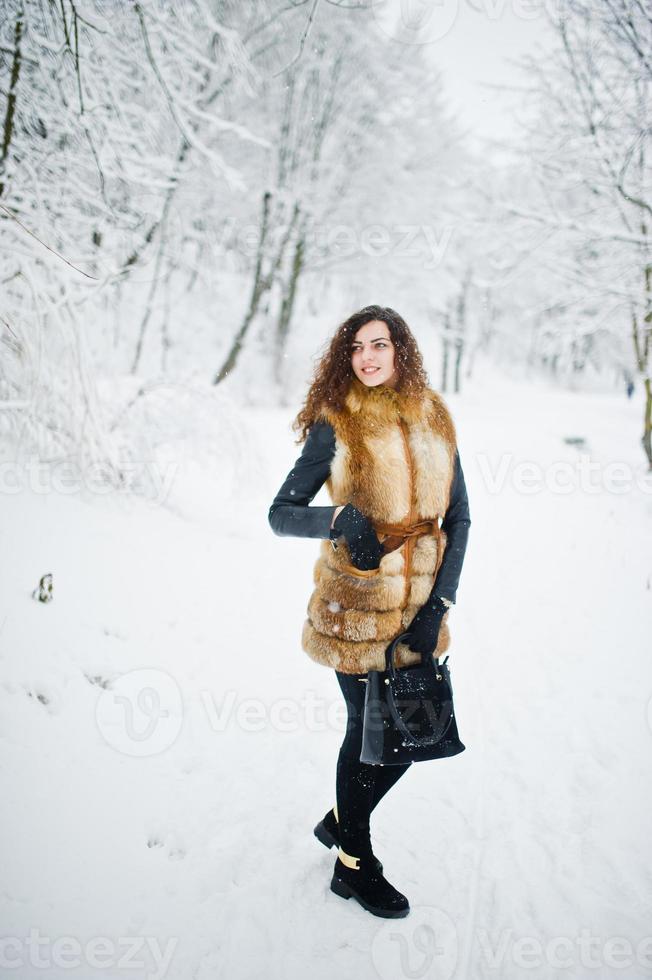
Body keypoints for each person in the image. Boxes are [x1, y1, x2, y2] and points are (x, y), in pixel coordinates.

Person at [268, 305, 471, 919]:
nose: (367, 357)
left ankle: (340, 819)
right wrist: (337, 518)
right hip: (354, 609)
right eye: (356, 347)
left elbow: (459, 517)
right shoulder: (337, 422)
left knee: (414, 734)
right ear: (346, 355)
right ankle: (355, 864)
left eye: (379, 344)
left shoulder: (435, 416)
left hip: (418, 611)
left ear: (400, 350)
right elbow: (281, 512)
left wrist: (439, 603)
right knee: (367, 734)